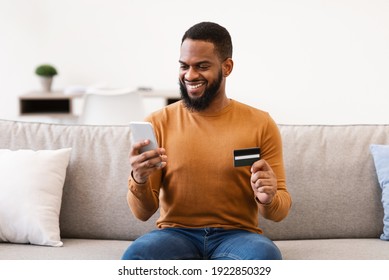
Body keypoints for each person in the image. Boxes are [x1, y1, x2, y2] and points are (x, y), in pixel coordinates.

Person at [122, 22, 291, 260]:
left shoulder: (260, 123)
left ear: (227, 67)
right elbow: (143, 213)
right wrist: (138, 179)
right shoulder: (157, 123)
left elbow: (279, 212)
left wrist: (269, 196)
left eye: (202, 66)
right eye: (184, 66)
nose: (190, 75)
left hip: (238, 236)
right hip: (175, 234)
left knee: (266, 257)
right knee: (135, 257)